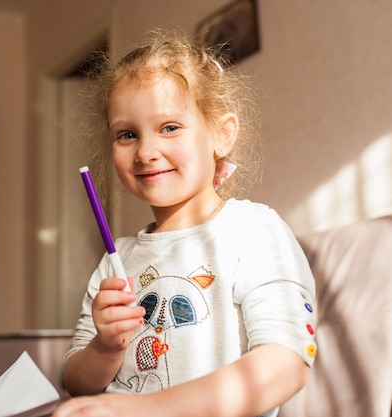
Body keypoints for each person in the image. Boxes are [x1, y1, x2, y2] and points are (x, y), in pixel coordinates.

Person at [53, 30, 317, 417]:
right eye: (127, 134)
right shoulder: (118, 258)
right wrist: (105, 347)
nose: (145, 151)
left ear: (221, 134)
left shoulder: (254, 230)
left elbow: (287, 363)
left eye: (170, 127)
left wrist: (147, 410)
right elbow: (76, 382)